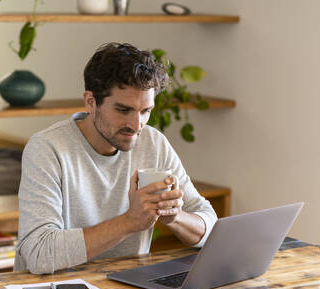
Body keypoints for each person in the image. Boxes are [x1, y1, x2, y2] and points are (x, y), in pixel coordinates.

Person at [15, 42, 217, 274]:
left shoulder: (154, 143)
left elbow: (210, 225)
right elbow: (39, 254)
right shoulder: (48, 148)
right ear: (91, 102)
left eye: (145, 111)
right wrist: (131, 221)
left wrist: (175, 217)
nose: (136, 125)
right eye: (123, 110)